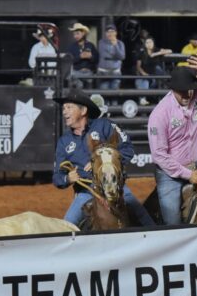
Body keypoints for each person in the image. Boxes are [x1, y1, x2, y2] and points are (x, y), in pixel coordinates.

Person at [53, 86, 154, 227]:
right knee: (66, 226)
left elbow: (128, 148)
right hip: (86, 192)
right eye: (64, 108)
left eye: (69, 107)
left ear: (83, 111)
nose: (65, 112)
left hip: (116, 187)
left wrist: (105, 161)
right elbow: (57, 176)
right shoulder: (64, 142)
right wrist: (68, 178)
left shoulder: (104, 125)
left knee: (145, 220)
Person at [147, 55, 197, 225]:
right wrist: (188, 175)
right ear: (173, 89)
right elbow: (159, 155)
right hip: (170, 174)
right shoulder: (159, 114)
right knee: (173, 223)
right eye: (182, 90)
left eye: (190, 89)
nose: (187, 94)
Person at [67, 22, 98, 89]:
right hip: (77, 72)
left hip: (89, 73)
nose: (76, 36)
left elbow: (96, 59)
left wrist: (90, 57)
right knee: (78, 88)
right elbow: (69, 61)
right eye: (74, 34)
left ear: (83, 33)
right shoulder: (71, 47)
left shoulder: (90, 45)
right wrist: (80, 57)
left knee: (89, 93)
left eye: (77, 33)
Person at [97, 24, 125, 90]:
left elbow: (122, 57)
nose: (110, 33)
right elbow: (104, 55)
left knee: (114, 94)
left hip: (116, 72)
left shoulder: (120, 43)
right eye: (108, 32)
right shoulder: (101, 42)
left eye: (112, 31)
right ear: (105, 33)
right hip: (103, 72)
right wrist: (115, 56)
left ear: (116, 33)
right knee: (104, 93)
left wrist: (115, 45)